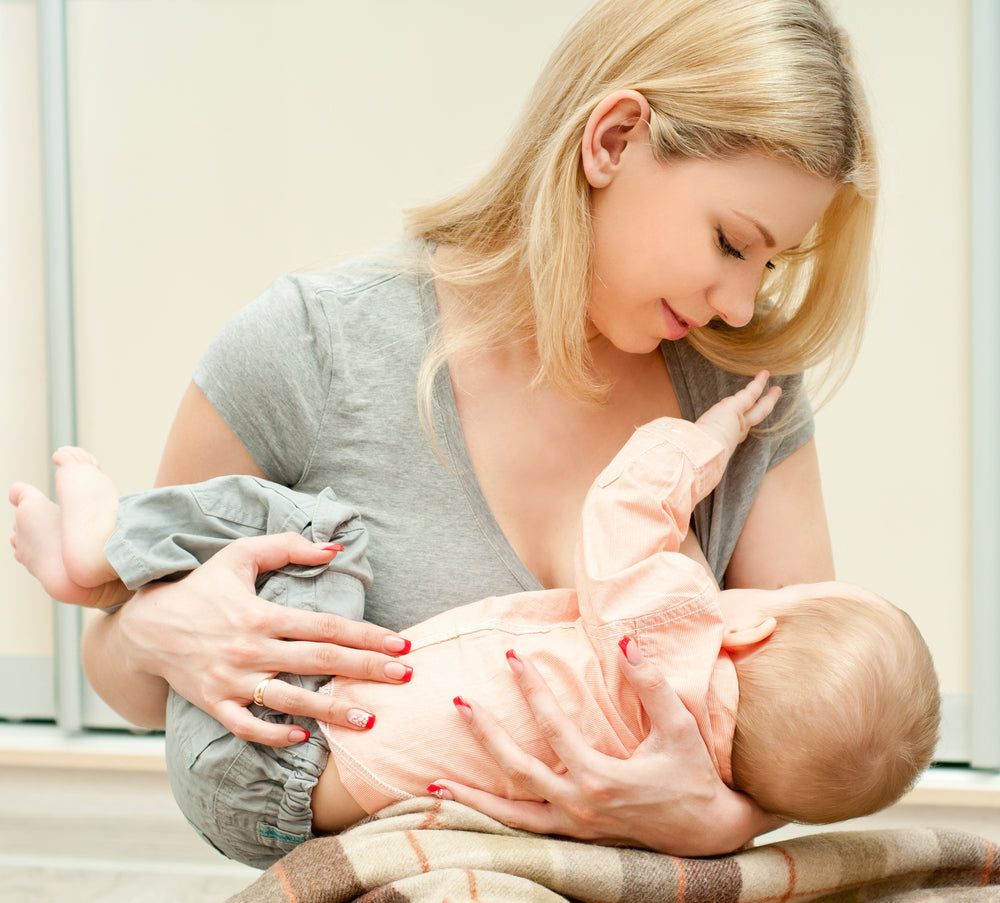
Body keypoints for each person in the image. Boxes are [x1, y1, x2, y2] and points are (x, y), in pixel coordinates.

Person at [56, 0, 879, 858]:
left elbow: (810, 726)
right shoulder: (309, 346)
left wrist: (720, 821)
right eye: (729, 241)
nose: (742, 303)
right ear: (612, 139)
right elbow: (123, 674)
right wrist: (158, 632)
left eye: (771, 261)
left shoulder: (742, 388)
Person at [10, 376, 938, 870]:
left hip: (285, 735)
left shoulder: (671, 630)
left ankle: (105, 549)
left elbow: (631, 502)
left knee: (316, 532)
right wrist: (730, 821)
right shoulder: (668, 789)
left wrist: (712, 437)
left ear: (747, 633)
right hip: (281, 815)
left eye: (771, 600)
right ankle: (116, 582)